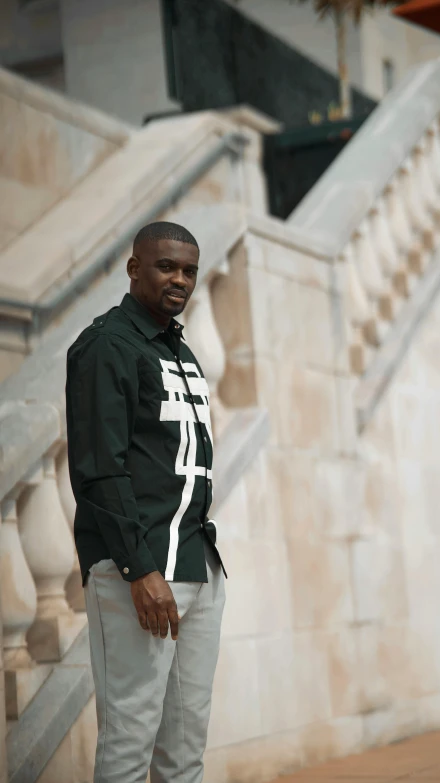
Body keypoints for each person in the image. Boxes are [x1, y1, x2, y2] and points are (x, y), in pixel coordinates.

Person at [65, 221, 226, 783]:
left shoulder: (179, 348)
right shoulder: (107, 345)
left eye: (188, 270)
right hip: (141, 570)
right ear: (134, 269)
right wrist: (139, 567)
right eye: (166, 267)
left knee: (185, 749)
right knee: (130, 742)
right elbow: (98, 468)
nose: (179, 279)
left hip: (197, 563)